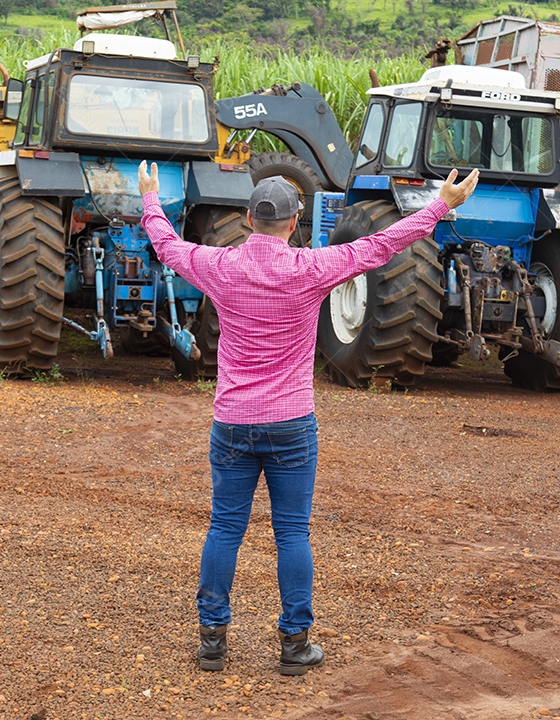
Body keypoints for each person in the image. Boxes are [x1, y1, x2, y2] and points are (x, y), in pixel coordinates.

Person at [138, 160, 479, 676]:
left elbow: (166, 246)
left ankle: (213, 642)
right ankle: (294, 646)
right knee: (292, 533)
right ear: (294, 222)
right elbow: (379, 247)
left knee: (225, 527)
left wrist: (148, 198)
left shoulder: (221, 266)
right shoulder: (311, 268)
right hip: (292, 422)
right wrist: (439, 206)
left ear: (250, 220)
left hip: (232, 420)